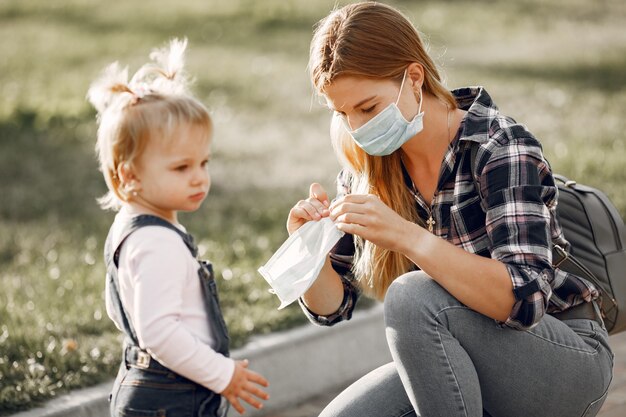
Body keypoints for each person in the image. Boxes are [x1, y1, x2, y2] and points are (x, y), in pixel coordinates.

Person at [286, 3, 613, 417]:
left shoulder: (498, 146)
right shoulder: (367, 168)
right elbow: (334, 308)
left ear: (414, 77)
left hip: (560, 355)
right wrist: (308, 253)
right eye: (343, 113)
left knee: (412, 295)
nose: (357, 128)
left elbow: (526, 299)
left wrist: (408, 237)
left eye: (367, 108)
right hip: (462, 355)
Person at [88, 39, 269, 417]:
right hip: (173, 398)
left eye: (203, 162)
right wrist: (224, 375)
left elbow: (121, 305)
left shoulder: (128, 228)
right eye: (181, 168)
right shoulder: (157, 242)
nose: (200, 178)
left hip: (143, 385)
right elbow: (159, 334)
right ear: (130, 174)